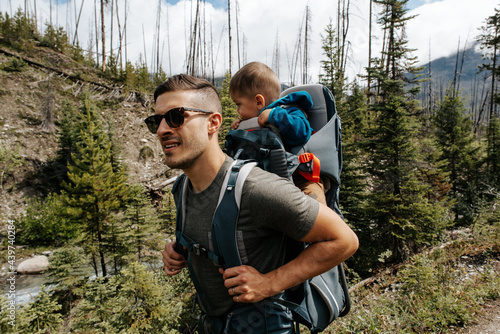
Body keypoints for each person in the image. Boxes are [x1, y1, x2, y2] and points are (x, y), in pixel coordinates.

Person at [147, 74, 358, 333]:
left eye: (176, 117)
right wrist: (179, 251)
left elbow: (344, 240)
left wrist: (268, 283)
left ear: (213, 123)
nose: (162, 129)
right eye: (156, 121)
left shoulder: (255, 189)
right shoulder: (182, 189)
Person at [229, 61, 326, 204]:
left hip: (301, 177)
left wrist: (275, 116)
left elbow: (302, 131)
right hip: (270, 180)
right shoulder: (253, 123)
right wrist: (241, 127)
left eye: (238, 105)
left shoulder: (288, 111)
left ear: (258, 101)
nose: (237, 111)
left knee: (315, 205)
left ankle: (325, 224)